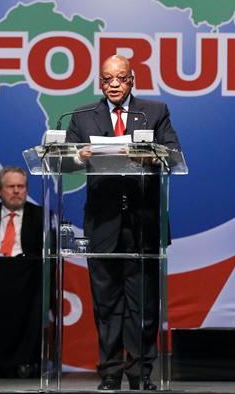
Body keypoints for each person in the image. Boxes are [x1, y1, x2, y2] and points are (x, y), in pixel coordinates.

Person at [66, 55, 180, 391]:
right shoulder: (84, 116)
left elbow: (173, 154)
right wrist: (79, 155)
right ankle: (111, 373)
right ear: (100, 83)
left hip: (142, 221)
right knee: (106, 304)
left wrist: (146, 154)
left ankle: (141, 373)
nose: (114, 84)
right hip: (103, 224)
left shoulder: (154, 112)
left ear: (132, 79)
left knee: (142, 304)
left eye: (120, 78)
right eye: (107, 79)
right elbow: (67, 158)